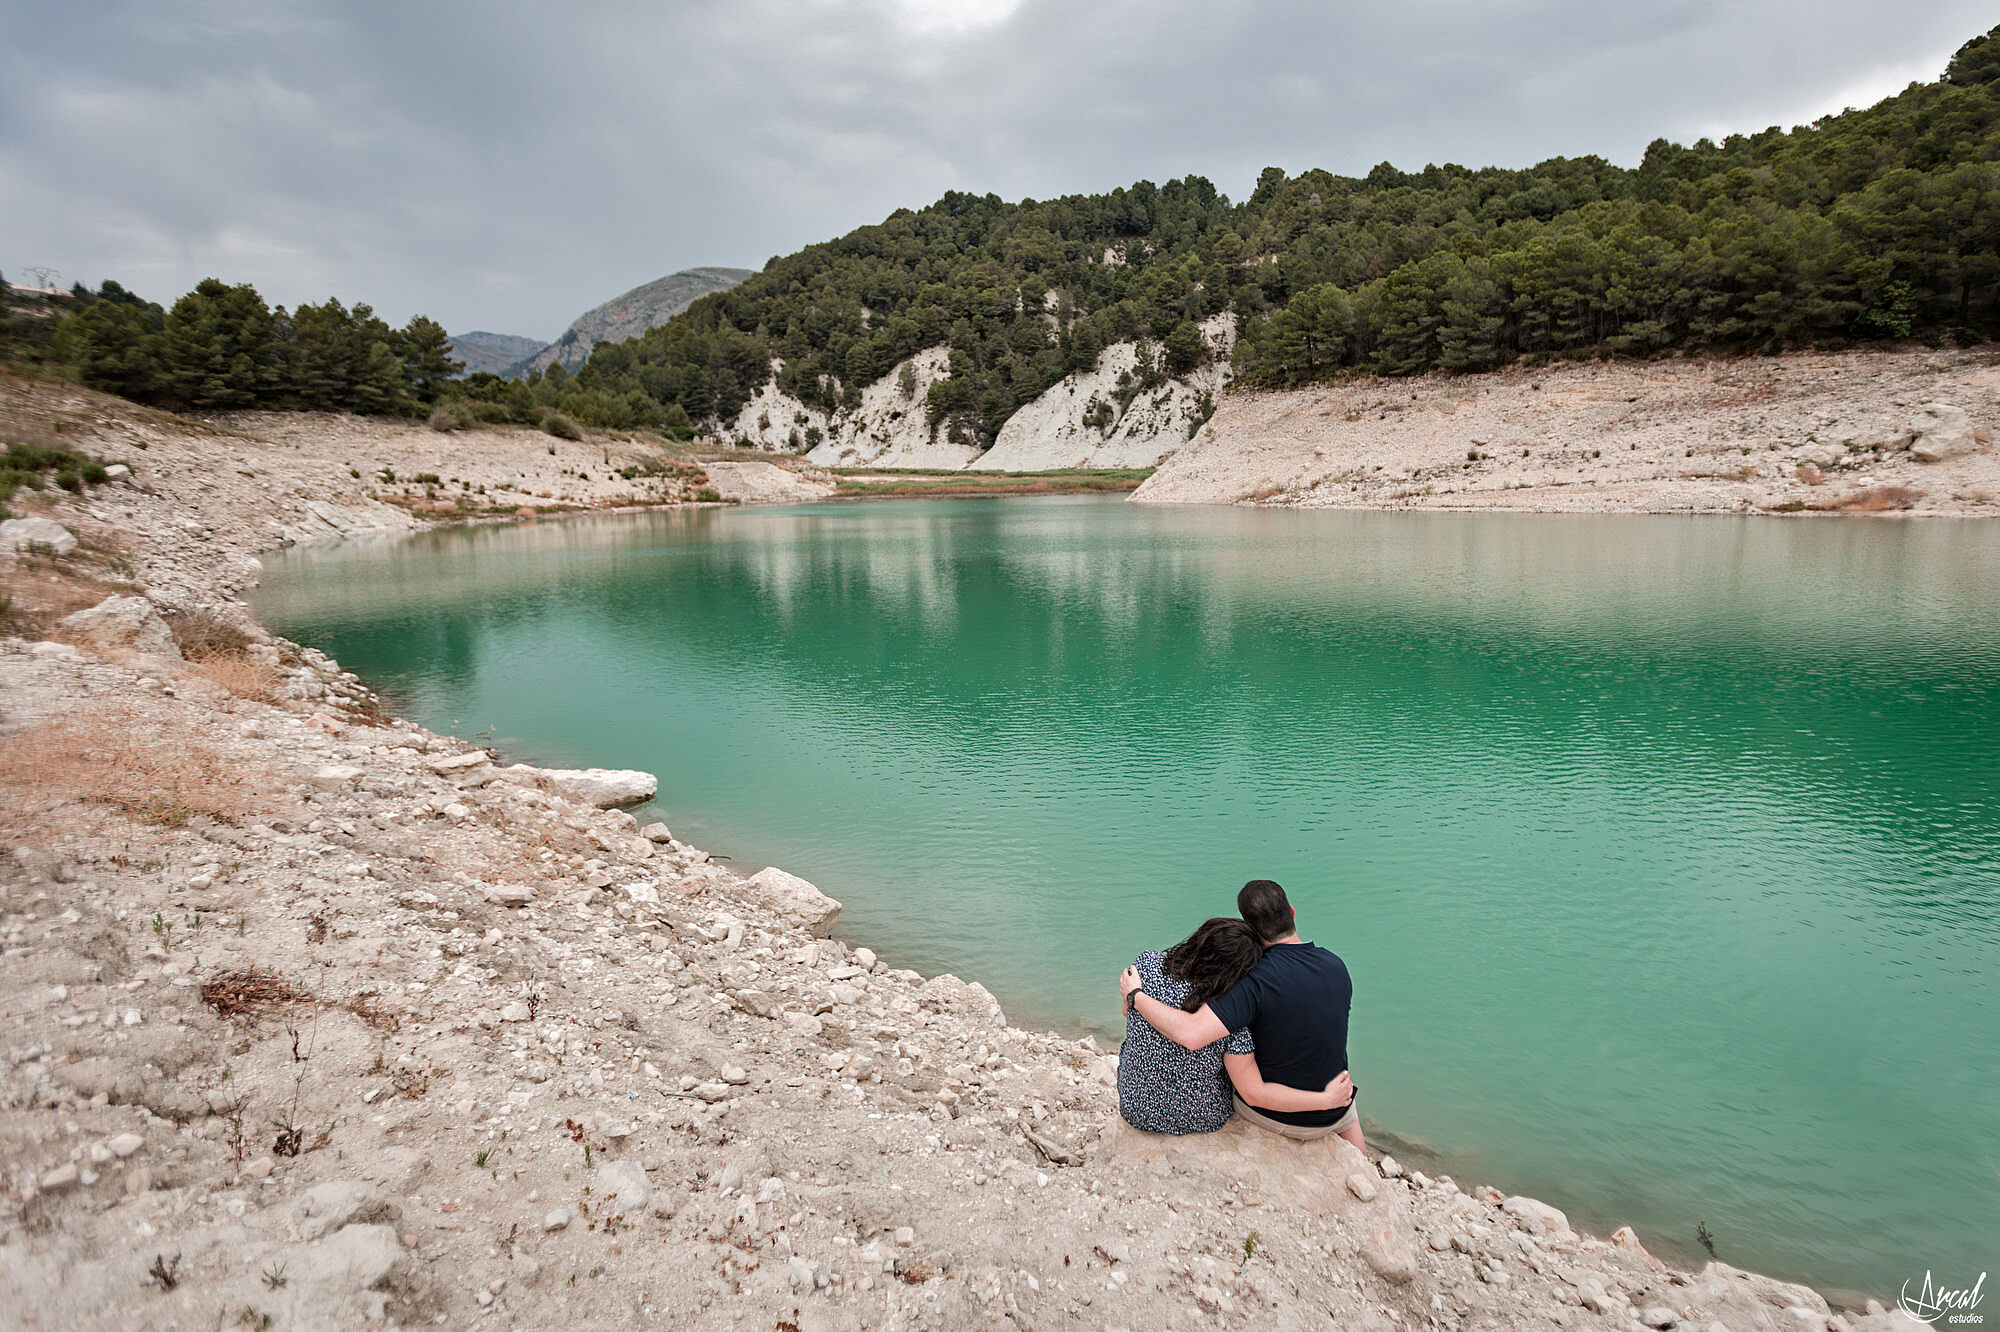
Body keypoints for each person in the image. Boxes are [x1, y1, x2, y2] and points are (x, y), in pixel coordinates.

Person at [1122, 880, 1363, 1151]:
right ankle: (1364, 1168)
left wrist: (1136, 998)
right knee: (1347, 1113)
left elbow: (1192, 1034)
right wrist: (1329, 1101)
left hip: (1272, 1114)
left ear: (1250, 927)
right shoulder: (1336, 966)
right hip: (1338, 1109)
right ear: (1292, 912)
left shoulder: (1251, 980)